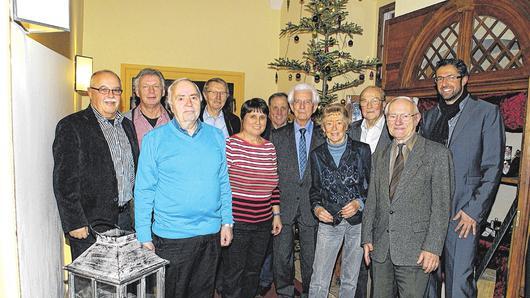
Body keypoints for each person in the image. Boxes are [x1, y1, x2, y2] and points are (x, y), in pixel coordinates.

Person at [134, 78, 233, 298]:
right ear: (170, 104)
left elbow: (223, 181)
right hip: (172, 239)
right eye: (181, 98)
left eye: (193, 97)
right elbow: (143, 191)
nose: (189, 103)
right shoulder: (154, 140)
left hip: (210, 235)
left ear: (201, 101)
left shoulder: (216, 136)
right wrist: (143, 235)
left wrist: (227, 221)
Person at [421, 58, 505, 298]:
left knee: (459, 284)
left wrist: (474, 211)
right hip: (430, 213)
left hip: (463, 214)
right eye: (439, 78)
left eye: (450, 77)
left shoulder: (486, 113)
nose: (444, 83)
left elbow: (493, 167)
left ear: (464, 80)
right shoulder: (429, 117)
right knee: (427, 282)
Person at [361, 96, 453, 298]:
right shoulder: (380, 154)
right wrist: (367, 237)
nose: (398, 122)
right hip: (381, 248)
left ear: (417, 118)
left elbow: (441, 206)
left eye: (405, 116)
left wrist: (433, 248)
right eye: (393, 116)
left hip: (416, 251)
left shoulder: (437, 154)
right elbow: (373, 200)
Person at [53, 70, 139, 260]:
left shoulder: (127, 125)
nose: (111, 95)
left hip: (126, 220)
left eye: (116, 90)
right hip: (90, 224)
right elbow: (64, 180)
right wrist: (74, 222)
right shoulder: (72, 126)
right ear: (90, 92)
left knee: (123, 280)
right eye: (103, 89)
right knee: (92, 286)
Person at [220, 98, 283, 298]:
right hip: (236, 222)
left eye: (262, 117)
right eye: (252, 116)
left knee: (253, 272)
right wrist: (225, 222)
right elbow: (220, 185)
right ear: (243, 118)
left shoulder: (269, 148)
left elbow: (274, 186)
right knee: (233, 273)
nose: (258, 121)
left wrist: (276, 215)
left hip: (263, 223)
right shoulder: (230, 144)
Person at [308, 104, 371, 297]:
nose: (334, 128)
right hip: (329, 222)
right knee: (319, 279)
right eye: (329, 124)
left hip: (357, 223)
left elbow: (372, 187)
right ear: (323, 128)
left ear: (346, 125)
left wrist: (359, 203)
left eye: (338, 123)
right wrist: (317, 209)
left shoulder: (362, 151)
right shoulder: (317, 154)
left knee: (350, 279)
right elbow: (315, 190)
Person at [270, 83, 325, 298]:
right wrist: (274, 209)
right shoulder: (278, 135)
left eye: (307, 101)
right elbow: (271, 173)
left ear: (314, 106)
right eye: (298, 102)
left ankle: (310, 293)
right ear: (291, 106)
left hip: (312, 205)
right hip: (283, 204)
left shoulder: (324, 135)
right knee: (282, 255)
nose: (302, 106)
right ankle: (284, 292)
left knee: (311, 256)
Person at [257, 92, 290, 296]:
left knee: (278, 246)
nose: (278, 112)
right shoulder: (260, 131)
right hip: (260, 198)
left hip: (284, 199)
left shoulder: (295, 134)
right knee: (262, 242)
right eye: (274, 108)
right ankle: (261, 279)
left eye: (283, 108)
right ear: (269, 111)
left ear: (289, 111)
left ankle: (269, 280)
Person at [124, 68, 171, 147]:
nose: (151, 91)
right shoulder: (123, 122)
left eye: (156, 86)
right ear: (137, 92)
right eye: (145, 87)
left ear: (163, 91)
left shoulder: (176, 122)